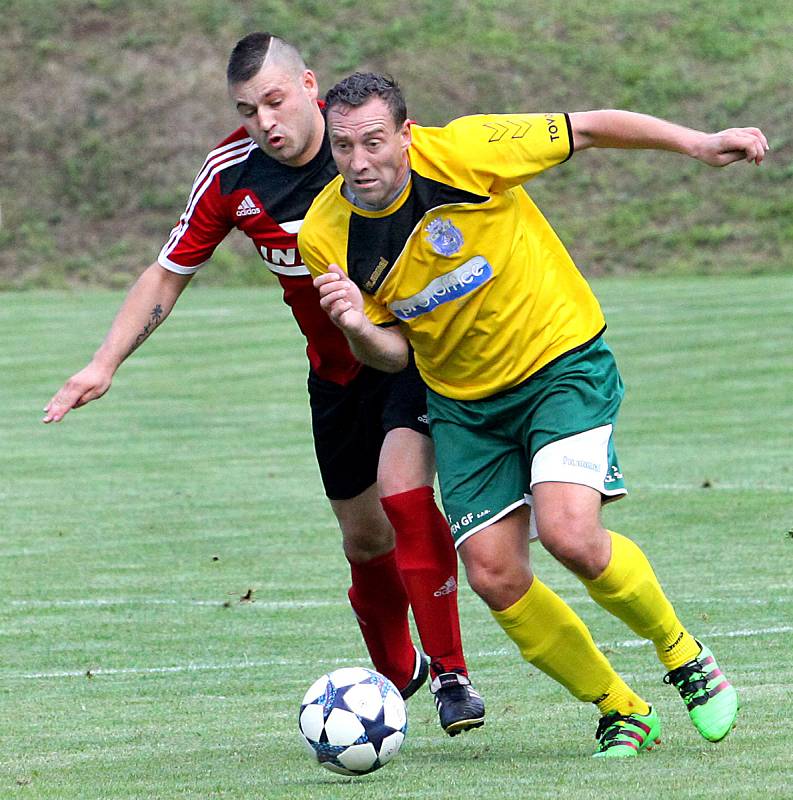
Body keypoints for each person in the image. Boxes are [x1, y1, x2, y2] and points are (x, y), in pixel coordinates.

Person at [302, 71, 767, 757]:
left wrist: (697, 144)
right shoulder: (326, 233)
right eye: (343, 147)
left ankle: (682, 654)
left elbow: (587, 126)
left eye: (374, 141)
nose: (359, 161)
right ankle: (620, 708)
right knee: (493, 574)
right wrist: (354, 326)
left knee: (570, 534)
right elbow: (391, 357)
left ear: (405, 133)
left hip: (559, 364)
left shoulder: (469, 150)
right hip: (463, 405)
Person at [42, 36, 485, 737]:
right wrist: (104, 363)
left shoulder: (368, 149)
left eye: (275, 100)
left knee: (404, 498)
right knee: (364, 542)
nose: (264, 121)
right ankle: (397, 680)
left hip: (409, 357)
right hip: (335, 374)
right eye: (248, 110)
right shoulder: (232, 174)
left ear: (308, 84)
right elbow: (167, 272)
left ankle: (452, 675)